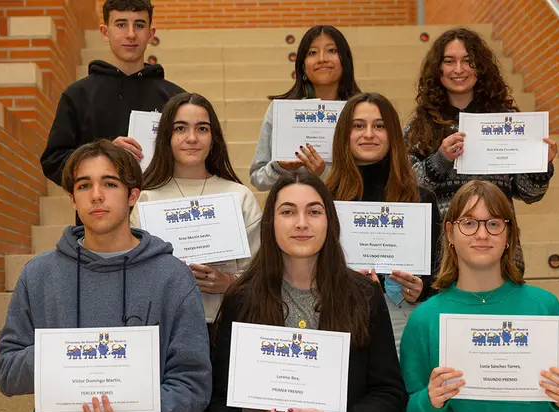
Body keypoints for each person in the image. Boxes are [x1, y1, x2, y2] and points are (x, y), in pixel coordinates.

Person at [0, 140, 211, 412]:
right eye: (84, 186)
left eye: (109, 184)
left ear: (132, 195)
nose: (96, 196)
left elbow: (192, 383)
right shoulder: (39, 274)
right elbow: (7, 372)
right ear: (72, 198)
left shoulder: (171, 276)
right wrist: (64, 353)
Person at [206, 172, 408, 412]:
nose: (301, 223)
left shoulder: (364, 295)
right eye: (288, 212)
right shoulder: (242, 297)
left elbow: (389, 394)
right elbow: (218, 397)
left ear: (329, 222)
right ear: (271, 223)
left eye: (313, 212)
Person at [399, 180, 559, 412]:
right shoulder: (425, 318)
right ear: (449, 233)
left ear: (509, 236)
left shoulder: (544, 307)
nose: (482, 234)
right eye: (468, 223)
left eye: (494, 223)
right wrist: (430, 400)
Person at [404, 28, 558, 270]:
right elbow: (406, 188)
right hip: (442, 258)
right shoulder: (420, 126)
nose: (458, 69)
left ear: (481, 67)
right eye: (449, 61)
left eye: (468, 61)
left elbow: (530, 193)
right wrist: (441, 159)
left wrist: (541, 165)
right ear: (438, 69)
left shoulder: (506, 121)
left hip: (499, 255)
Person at [325, 92, 442, 352]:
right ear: (344, 133)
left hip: (403, 326)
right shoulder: (323, 200)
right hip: (337, 322)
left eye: (379, 126)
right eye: (358, 126)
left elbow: (440, 277)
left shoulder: (421, 201)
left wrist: (420, 290)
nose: (369, 134)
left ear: (392, 135)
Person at [131, 93, 262, 322]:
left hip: (224, 325)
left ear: (214, 138)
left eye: (202, 129)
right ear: (166, 137)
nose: (192, 138)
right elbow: (134, 274)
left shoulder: (239, 196)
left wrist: (228, 282)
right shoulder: (146, 200)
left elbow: (261, 272)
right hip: (163, 325)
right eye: (180, 128)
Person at [41, 0, 184, 187]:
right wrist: (104, 155)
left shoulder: (175, 97)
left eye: (139, 25)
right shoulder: (78, 95)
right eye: (121, 24)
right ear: (104, 32)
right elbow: (53, 161)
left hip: (159, 210)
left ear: (150, 34)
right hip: (98, 211)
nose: (131, 34)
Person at [249, 25, 362, 191]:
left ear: (345, 61)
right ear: (303, 65)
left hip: (344, 209)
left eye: (331, 50)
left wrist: (323, 173)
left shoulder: (361, 111)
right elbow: (257, 179)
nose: (322, 58)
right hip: (292, 209)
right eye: (312, 53)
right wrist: (281, 168)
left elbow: (370, 177)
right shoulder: (280, 111)